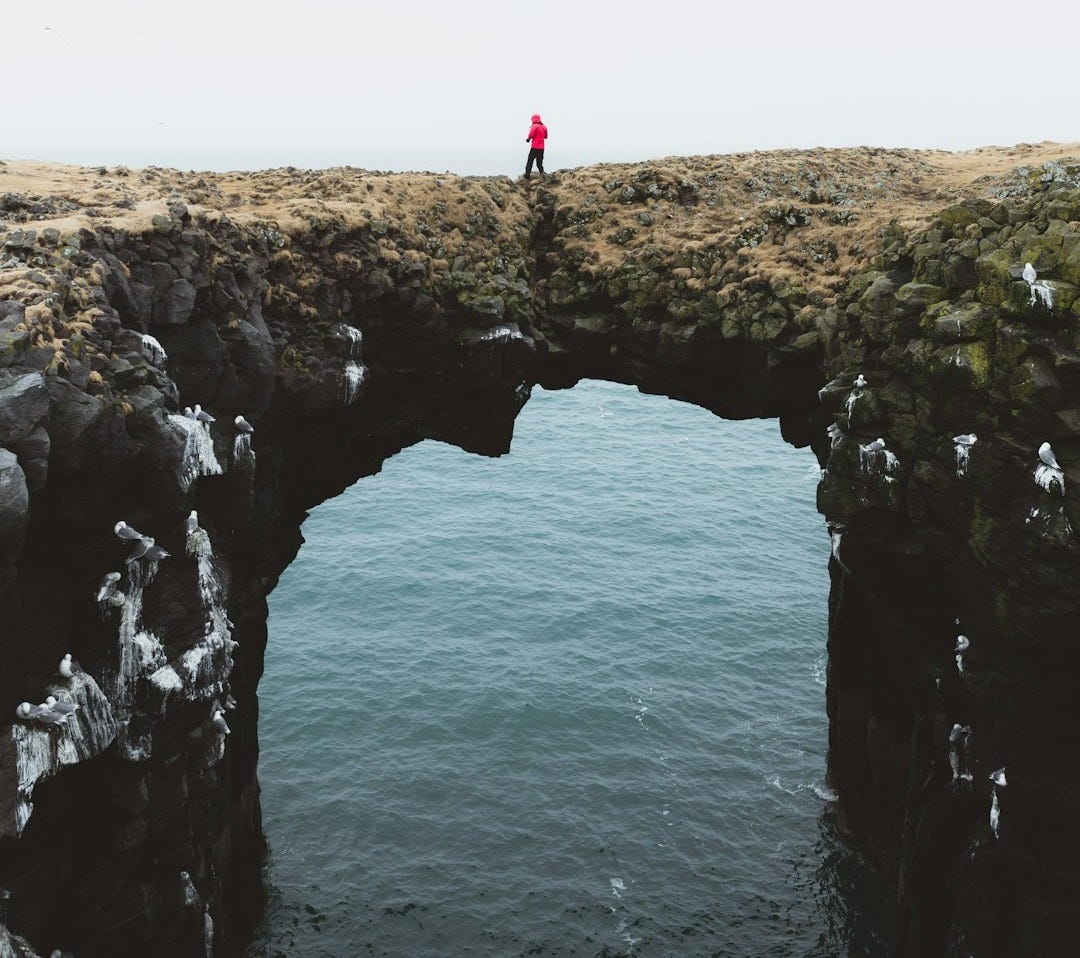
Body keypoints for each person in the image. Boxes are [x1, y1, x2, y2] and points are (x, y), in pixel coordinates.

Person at [524, 114, 548, 179]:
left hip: (535, 147)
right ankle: (542, 174)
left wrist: (528, 139)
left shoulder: (534, 126)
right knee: (539, 163)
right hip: (542, 148)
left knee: (530, 161)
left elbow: (531, 134)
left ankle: (527, 175)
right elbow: (546, 137)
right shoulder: (544, 127)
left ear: (533, 119)